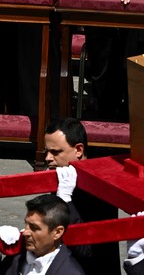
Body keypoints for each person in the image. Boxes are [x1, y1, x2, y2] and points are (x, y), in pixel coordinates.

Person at [44, 118, 121, 275]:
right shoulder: (62, 175)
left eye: (56, 152)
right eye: (47, 151)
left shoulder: (99, 187)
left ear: (78, 150)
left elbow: (86, 249)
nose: (48, 158)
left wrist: (64, 201)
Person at [0, 195, 85, 275]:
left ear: (57, 232)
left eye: (34, 228)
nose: (25, 232)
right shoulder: (14, 259)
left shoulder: (70, 272)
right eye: (26, 224)